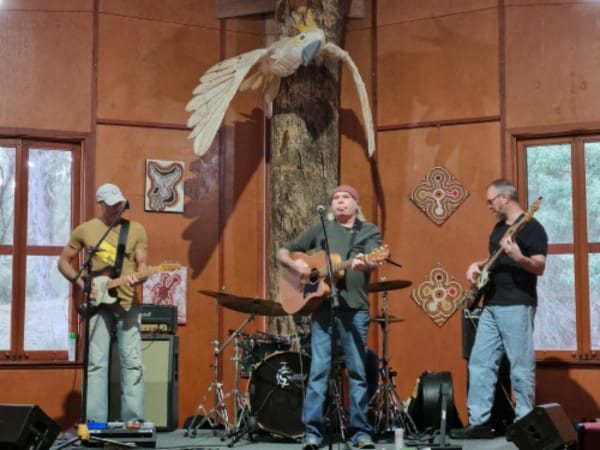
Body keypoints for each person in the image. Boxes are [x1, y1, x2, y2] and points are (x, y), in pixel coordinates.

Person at [276, 184, 381, 450]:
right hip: (322, 309)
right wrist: (296, 263)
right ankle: (312, 433)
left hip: (354, 309)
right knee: (319, 370)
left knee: (357, 372)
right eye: (335, 198)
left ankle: (361, 433)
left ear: (357, 204)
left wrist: (366, 262)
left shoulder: (368, 231)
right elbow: (283, 251)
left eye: (346, 197)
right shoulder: (322, 229)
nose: (339, 202)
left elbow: (374, 260)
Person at [450, 179, 548, 439]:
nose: (489, 205)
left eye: (491, 200)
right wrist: (478, 264)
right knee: (480, 362)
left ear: (505, 198)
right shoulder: (497, 229)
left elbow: (539, 266)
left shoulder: (532, 228)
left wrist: (519, 257)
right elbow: (496, 259)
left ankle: (525, 422)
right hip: (491, 304)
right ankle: (479, 421)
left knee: (520, 365)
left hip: (517, 304)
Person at [57, 183, 148, 425]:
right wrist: (82, 285)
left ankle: (133, 420)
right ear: (100, 203)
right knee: (97, 364)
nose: (117, 207)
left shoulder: (136, 230)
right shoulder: (86, 230)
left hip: (128, 303)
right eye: (111, 204)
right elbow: (64, 261)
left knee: (132, 363)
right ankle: (95, 422)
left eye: (119, 202)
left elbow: (143, 267)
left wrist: (139, 276)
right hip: (97, 304)